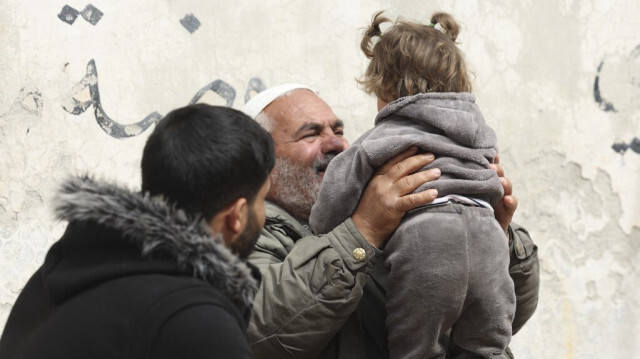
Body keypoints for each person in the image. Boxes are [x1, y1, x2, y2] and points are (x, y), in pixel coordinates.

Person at [243, 83, 539, 358]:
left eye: (338, 130)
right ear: (261, 161)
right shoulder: (242, 234)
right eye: (310, 133)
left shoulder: (389, 206)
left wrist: (490, 237)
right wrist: (364, 229)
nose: (336, 144)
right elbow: (264, 332)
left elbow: (505, 318)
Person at [310, 11, 519, 359]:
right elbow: (493, 178)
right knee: (487, 343)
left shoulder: (386, 137)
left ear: (386, 88)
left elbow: (337, 191)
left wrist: (320, 229)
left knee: (418, 346)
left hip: (427, 244)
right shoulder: (480, 131)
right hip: (490, 241)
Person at [0, 105, 275, 359]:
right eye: (262, 199)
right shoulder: (196, 320)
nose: (263, 212)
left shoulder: (68, 266)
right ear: (236, 215)